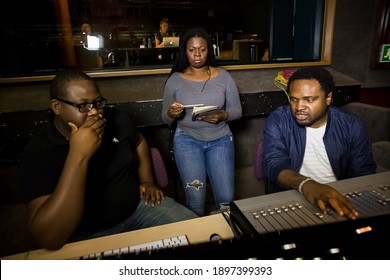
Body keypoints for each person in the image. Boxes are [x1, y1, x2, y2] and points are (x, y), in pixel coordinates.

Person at [20, 70, 197, 250]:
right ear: (57, 107)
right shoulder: (38, 151)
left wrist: (147, 180)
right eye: (83, 106)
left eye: (98, 103)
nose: (95, 112)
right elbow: (50, 238)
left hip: (138, 208)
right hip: (87, 232)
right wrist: (78, 155)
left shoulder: (116, 118)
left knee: (198, 235)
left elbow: (139, 142)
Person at [263, 67, 377, 220]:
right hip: (293, 195)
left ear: (328, 98)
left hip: (336, 198)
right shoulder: (278, 120)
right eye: (294, 99)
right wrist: (306, 185)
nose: (299, 107)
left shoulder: (352, 126)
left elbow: (362, 175)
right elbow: (273, 163)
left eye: (309, 100)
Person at [161, 27, 242, 216]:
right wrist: (172, 113)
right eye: (192, 49)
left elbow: (237, 111)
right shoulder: (175, 79)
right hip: (187, 141)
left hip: (221, 140)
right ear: (185, 51)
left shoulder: (224, 76)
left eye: (202, 49)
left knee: (226, 200)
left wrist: (223, 115)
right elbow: (164, 117)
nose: (197, 54)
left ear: (209, 50)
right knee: (195, 201)